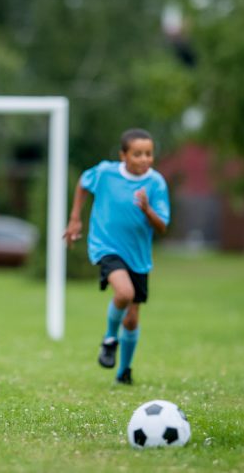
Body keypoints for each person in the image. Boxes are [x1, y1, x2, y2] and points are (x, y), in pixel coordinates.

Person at [63, 128, 170, 385]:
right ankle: (110, 338)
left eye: (148, 154)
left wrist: (147, 209)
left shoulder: (156, 183)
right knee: (124, 293)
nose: (144, 159)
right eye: (138, 154)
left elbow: (162, 226)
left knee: (132, 319)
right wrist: (75, 218)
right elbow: (83, 184)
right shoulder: (105, 173)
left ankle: (124, 372)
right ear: (123, 155)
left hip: (138, 256)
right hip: (106, 246)